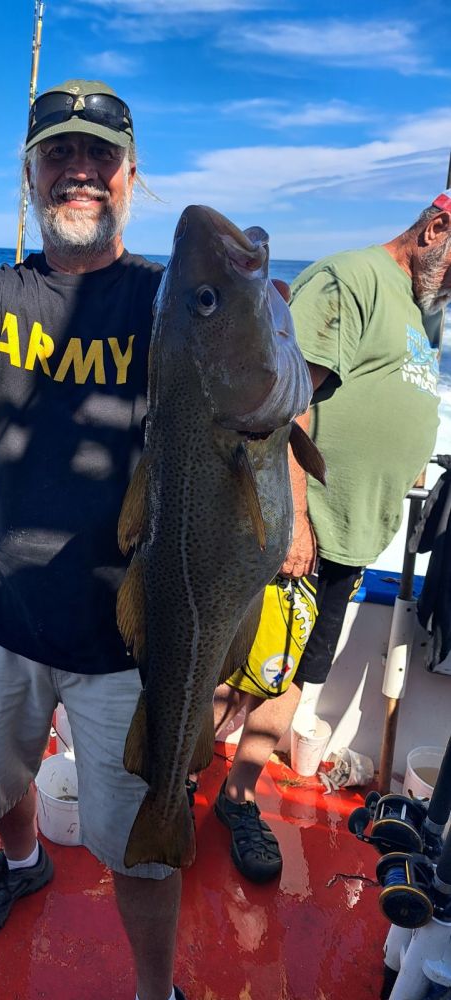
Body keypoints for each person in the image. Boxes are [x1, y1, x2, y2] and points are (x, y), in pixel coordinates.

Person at [0, 80, 191, 1000]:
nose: (78, 172)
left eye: (99, 156)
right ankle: (25, 859)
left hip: (133, 634)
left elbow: (256, 404)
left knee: (145, 851)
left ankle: (155, 990)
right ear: (31, 174)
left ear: (128, 175)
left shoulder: (170, 302)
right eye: (58, 155)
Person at [209, 190, 451, 884]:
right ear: (436, 227)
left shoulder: (425, 310)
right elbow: (285, 404)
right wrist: (295, 519)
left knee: (292, 678)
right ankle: (172, 782)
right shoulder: (351, 279)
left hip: (350, 538)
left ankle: (237, 798)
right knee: (232, 671)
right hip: (296, 536)